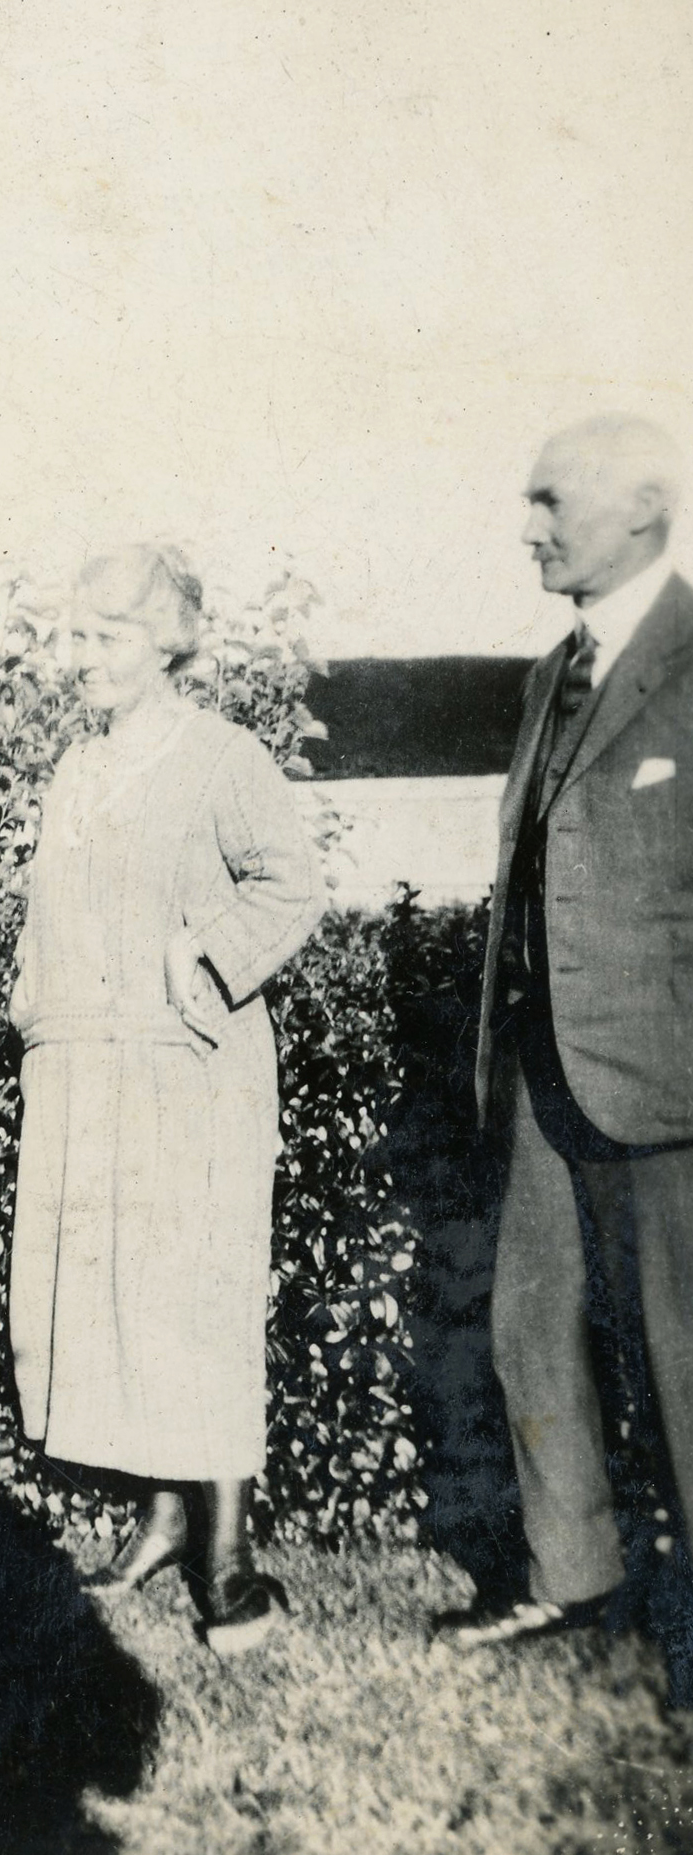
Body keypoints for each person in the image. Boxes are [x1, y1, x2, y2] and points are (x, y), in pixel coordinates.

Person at [8, 544, 325, 1655]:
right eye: (73, 634)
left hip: (191, 1075)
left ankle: (228, 1565)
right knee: (119, 1302)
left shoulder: (222, 757)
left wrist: (208, 964)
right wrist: (33, 1015)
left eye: (105, 636)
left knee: (197, 1298)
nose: (79, 656)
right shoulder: (73, 771)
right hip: (88, 1076)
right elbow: (48, 923)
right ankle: (159, 1520)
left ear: (166, 642)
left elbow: (290, 883)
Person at [438, 415, 693, 1672]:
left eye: (550, 501)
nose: (526, 527)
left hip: (668, 1079)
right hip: (543, 1063)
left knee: (684, 1347)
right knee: (529, 1321)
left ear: (643, 509)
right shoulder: (554, 671)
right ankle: (568, 1574)